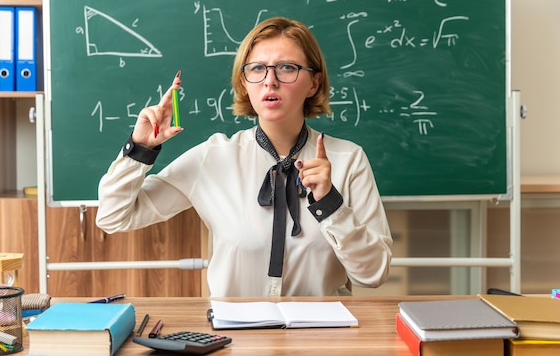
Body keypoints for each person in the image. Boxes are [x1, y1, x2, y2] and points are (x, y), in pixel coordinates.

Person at [96, 17, 392, 297]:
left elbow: (373, 274)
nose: (270, 81)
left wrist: (330, 204)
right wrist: (140, 149)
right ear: (245, 82)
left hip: (322, 338)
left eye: (287, 68)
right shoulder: (213, 158)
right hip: (236, 341)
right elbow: (113, 217)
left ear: (313, 83)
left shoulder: (348, 160)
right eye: (257, 69)